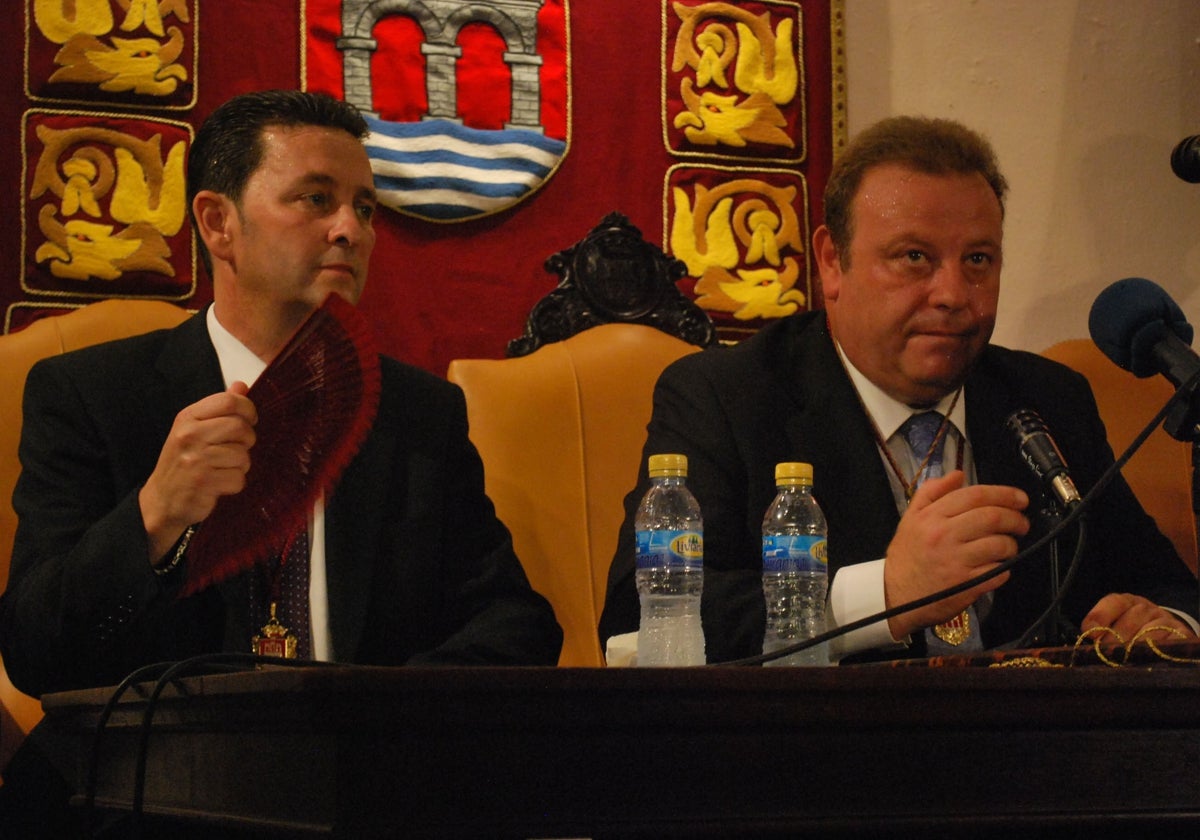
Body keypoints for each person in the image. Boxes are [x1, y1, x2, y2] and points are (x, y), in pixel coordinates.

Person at [0, 89, 562, 700]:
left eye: (365, 208)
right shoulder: (92, 394)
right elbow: (34, 655)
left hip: (363, 773)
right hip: (157, 773)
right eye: (316, 199)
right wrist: (154, 515)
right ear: (218, 223)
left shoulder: (417, 412)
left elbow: (516, 625)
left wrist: (374, 719)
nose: (351, 230)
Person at [598, 115, 1199, 664]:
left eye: (979, 260)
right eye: (914, 257)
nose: (953, 294)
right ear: (833, 262)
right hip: (824, 760)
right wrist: (886, 593)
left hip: (1033, 755)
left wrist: (1164, 620)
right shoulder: (724, 398)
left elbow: (1165, 584)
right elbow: (638, 626)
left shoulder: (1047, 397)